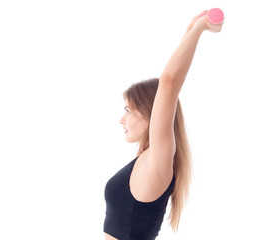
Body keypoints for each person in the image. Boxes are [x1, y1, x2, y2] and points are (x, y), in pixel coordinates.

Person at [103, 10, 224, 240]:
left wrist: (201, 27)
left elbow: (168, 84)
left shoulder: (158, 158)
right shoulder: (145, 158)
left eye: (128, 110)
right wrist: (191, 29)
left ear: (152, 113)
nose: (122, 119)